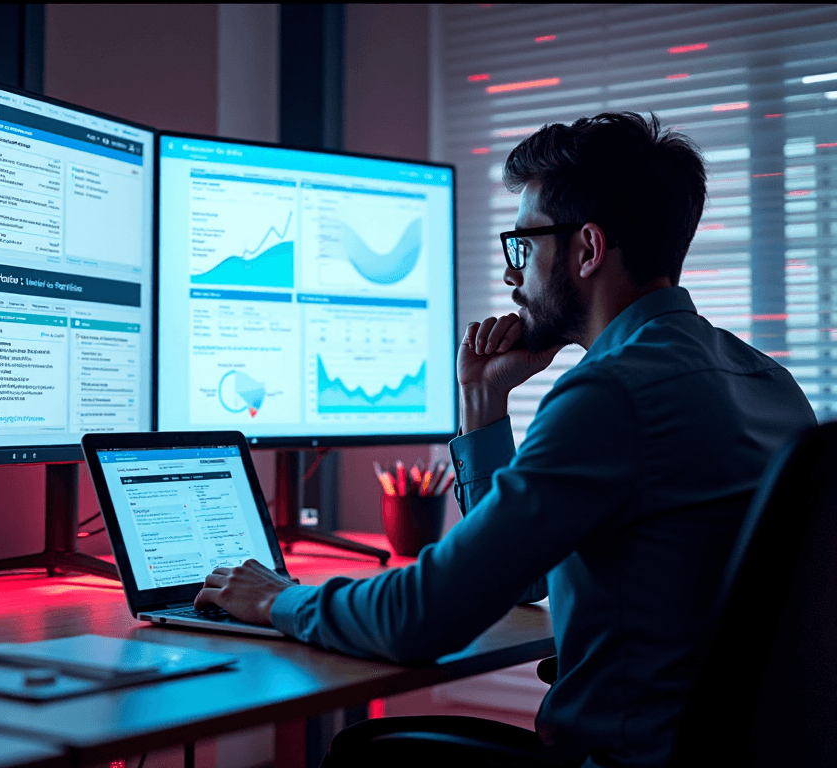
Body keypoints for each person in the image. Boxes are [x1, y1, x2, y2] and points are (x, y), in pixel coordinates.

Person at [194, 112, 817, 767]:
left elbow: (421, 617)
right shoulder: (769, 382)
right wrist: (483, 400)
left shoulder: (611, 396)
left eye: (523, 245)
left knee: (366, 754)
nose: (511, 276)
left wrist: (277, 597)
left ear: (587, 249)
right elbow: (523, 578)